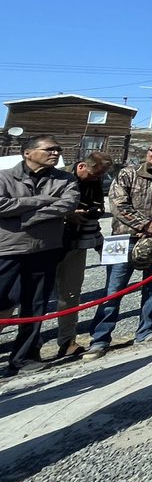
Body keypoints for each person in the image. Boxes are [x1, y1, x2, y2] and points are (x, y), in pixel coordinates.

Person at [85, 138, 152, 360]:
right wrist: (145, 224)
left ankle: (146, 331)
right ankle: (100, 339)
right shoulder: (127, 174)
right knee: (113, 289)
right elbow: (118, 204)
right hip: (122, 238)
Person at [0, 136, 80, 375]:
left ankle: (24, 357)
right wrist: (42, 200)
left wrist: (24, 217)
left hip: (45, 249)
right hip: (8, 249)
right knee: (1, 301)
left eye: (58, 150)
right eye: (49, 149)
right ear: (28, 153)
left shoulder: (66, 179)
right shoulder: (4, 177)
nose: (55, 153)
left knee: (36, 305)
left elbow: (66, 205)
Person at [52, 150, 113, 358]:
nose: (98, 179)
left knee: (70, 294)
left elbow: (99, 206)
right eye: (95, 174)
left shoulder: (94, 182)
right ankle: (27, 347)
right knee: (30, 298)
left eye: (101, 176)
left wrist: (91, 212)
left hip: (76, 244)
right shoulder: (56, 178)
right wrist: (67, 214)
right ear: (81, 167)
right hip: (47, 244)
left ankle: (67, 341)